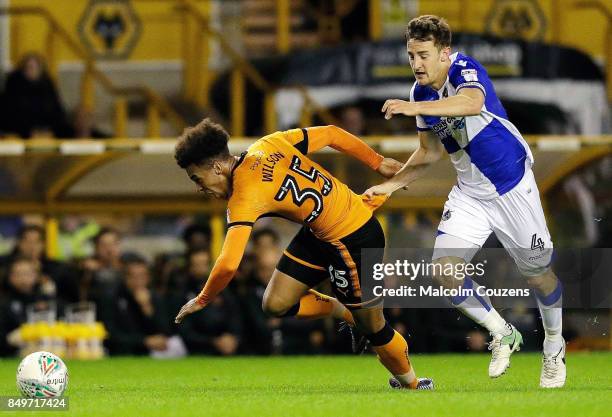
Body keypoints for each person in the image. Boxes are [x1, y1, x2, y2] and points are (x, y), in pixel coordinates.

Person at [364, 15, 565, 388]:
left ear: (444, 53)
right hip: (470, 193)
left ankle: (554, 345)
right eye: (411, 56)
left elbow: (471, 103)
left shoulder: (465, 69)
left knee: (539, 276)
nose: (417, 64)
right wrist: (390, 187)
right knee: (444, 272)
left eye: (424, 55)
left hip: (511, 186)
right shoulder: (419, 93)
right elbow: (427, 153)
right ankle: (502, 332)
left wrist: (416, 110)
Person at [173, 118, 433, 390]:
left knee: (374, 327)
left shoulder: (244, 196)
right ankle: (342, 310)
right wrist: (377, 162)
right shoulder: (268, 144)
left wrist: (202, 299)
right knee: (274, 304)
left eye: (196, 178)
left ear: (216, 167)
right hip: (321, 231)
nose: (198, 187)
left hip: (353, 238)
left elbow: (228, 264)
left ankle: (413, 384)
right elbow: (332, 133)